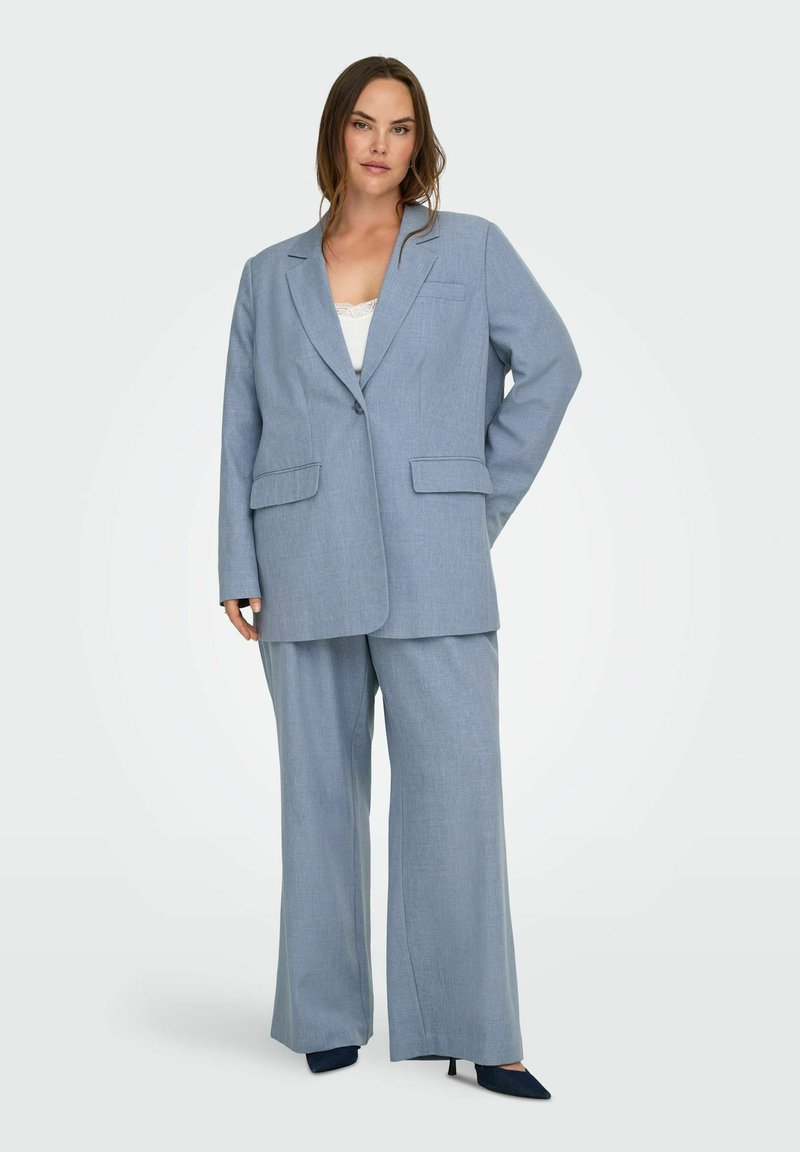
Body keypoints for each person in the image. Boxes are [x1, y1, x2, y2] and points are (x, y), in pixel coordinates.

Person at [218, 56, 582, 1099]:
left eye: (401, 126)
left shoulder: (468, 248)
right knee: (317, 804)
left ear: (420, 143)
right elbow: (241, 422)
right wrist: (236, 561)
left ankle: (478, 1030)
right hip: (300, 563)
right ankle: (324, 1014)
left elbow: (551, 366)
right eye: (363, 123)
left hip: (436, 565)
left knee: (457, 802)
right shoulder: (269, 274)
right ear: (335, 134)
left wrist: (475, 503)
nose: (380, 144)